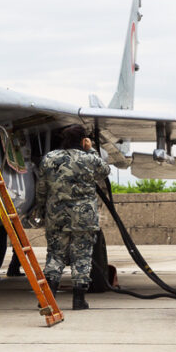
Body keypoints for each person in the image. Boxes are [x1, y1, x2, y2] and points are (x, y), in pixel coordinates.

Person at [33, 125, 110, 310]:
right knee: (82, 257)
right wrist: (90, 148)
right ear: (84, 140)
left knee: (55, 255)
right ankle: (78, 300)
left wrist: (41, 211)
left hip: (56, 215)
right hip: (84, 218)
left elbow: (41, 189)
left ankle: (48, 298)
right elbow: (105, 171)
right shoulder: (90, 159)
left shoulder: (50, 159)